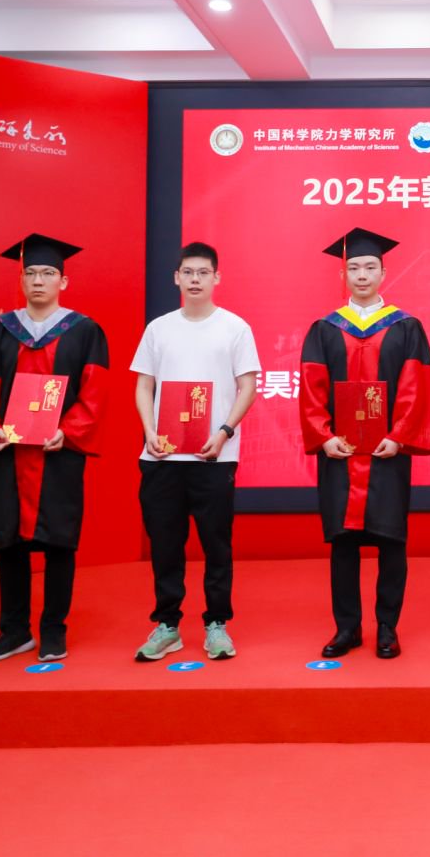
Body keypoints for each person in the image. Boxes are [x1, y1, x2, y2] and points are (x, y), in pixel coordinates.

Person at [0, 234, 110, 663]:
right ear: (22, 280)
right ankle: (14, 631)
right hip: (8, 453)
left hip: (57, 452)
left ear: (63, 281)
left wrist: (69, 430)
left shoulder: (84, 331)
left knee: (59, 541)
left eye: (48, 273)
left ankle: (53, 629)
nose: (38, 281)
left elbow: (94, 392)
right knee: (9, 541)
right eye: (30, 273)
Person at [298, 228, 430, 660]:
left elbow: (415, 387)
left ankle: (387, 628)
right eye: (354, 268)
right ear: (344, 274)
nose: (362, 275)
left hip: (387, 454)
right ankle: (347, 628)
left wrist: (399, 436)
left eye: (370, 267)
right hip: (339, 454)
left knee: (391, 541)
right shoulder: (325, 329)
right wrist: (324, 437)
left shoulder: (406, 327)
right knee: (343, 543)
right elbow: (312, 389)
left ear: (383, 273)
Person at [130, 241, 259, 662]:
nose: (196, 279)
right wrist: (150, 431)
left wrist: (224, 431)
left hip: (213, 456)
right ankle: (167, 625)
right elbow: (144, 385)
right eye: (188, 272)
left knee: (216, 545)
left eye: (204, 272)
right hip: (162, 457)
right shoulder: (159, 328)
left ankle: (216, 623)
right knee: (166, 545)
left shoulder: (234, 327)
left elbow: (248, 387)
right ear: (177, 278)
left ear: (217, 277)